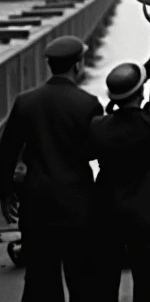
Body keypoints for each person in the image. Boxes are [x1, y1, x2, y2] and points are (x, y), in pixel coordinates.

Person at [0, 34, 103, 301]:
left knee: (41, 281)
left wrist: (6, 192)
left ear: (50, 65)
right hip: (77, 206)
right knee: (83, 280)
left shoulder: (25, 101)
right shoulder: (88, 104)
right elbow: (96, 151)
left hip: (37, 207)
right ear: (78, 65)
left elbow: (6, 151)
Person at [88, 0, 150, 302]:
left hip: (105, 215)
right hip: (146, 215)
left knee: (105, 285)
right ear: (141, 92)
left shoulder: (97, 128)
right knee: (147, 287)